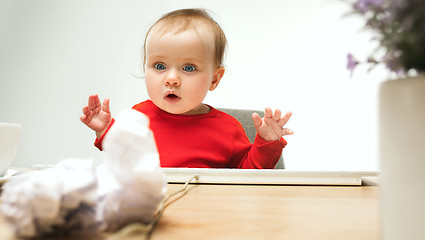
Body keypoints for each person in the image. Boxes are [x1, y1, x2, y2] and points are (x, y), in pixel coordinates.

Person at [80, 8, 293, 169]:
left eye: (188, 68)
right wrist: (105, 130)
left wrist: (267, 142)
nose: (171, 79)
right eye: (160, 66)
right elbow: (121, 155)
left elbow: (249, 176)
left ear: (214, 79)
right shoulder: (138, 116)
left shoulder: (228, 129)